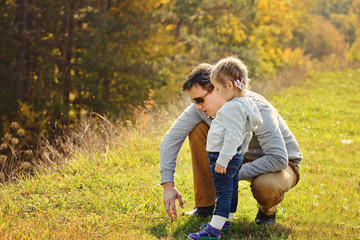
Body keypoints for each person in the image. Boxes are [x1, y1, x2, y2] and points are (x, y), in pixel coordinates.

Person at [160, 59, 302, 226]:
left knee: (266, 187)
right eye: (194, 102)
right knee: (198, 129)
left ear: (217, 89)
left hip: (278, 164)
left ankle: (267, 210)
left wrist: (232, 173)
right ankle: (206, 206)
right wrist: (168, 186)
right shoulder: (201, 111)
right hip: (235, 157)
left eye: (200, 100)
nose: (197, 106)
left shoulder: (257, 108)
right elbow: (171, 139)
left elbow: (278, 158)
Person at [187, 57, 263, 239]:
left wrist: (224, 158)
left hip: (222, 155)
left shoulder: (231, 107)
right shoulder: (248, 104)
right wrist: (240, 151)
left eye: (219, 89)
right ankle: (225, 222)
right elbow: (248, 132)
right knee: (231, 190)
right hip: (235, 155)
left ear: (229, 85)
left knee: (222, 193)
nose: (218, 94)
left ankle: (213, 231)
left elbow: (233, 135)